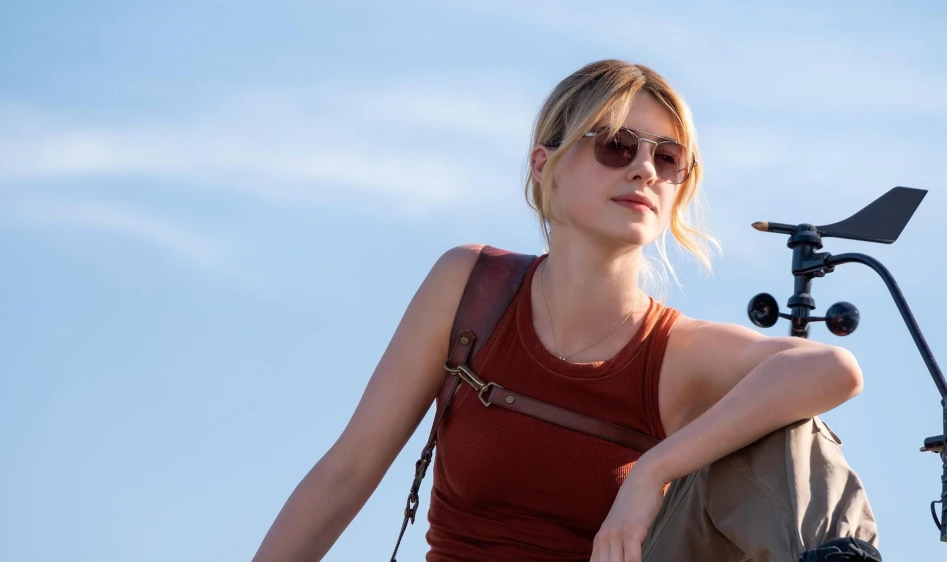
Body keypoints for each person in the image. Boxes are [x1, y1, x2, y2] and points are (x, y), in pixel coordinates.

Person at [251, 60, 881, 562]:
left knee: (786, 424)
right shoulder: (472, 288)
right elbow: (348, 470)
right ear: (545, 165)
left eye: (667, 158)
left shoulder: (676, 353)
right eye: (616, 145)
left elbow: (833, 369)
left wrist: (653, 473)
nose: (644, 170)